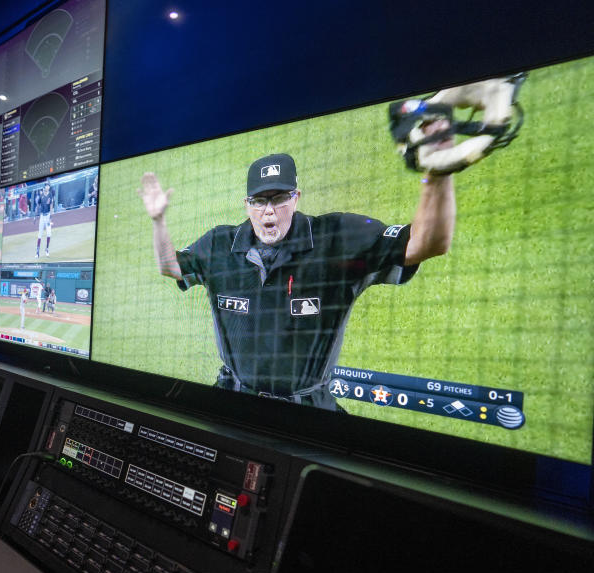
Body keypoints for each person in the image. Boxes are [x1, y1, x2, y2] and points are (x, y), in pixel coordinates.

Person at [138, 148, 455, 411]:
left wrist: (437, 171)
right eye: (260, 201)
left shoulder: (337, 240)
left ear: (297, 197)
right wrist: (158, 221)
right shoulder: (220, 245)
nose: (269, 213)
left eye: (279, 198)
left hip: (307, 409)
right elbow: (172, 267)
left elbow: (427, 244)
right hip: (232, 401)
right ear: (247, 205)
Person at [33, 182, 54, 258]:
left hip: (48, 216)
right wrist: (35, 216)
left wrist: (51, 216)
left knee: (49, 234)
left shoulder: (50, 195)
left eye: (48, 186)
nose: (48, 187)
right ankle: (37, 252)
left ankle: (47, 249)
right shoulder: (41, 195)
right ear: (44, 187)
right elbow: (38, 206)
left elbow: (51, 205)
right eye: (46, 186)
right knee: (40, 234)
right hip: (42, 216)